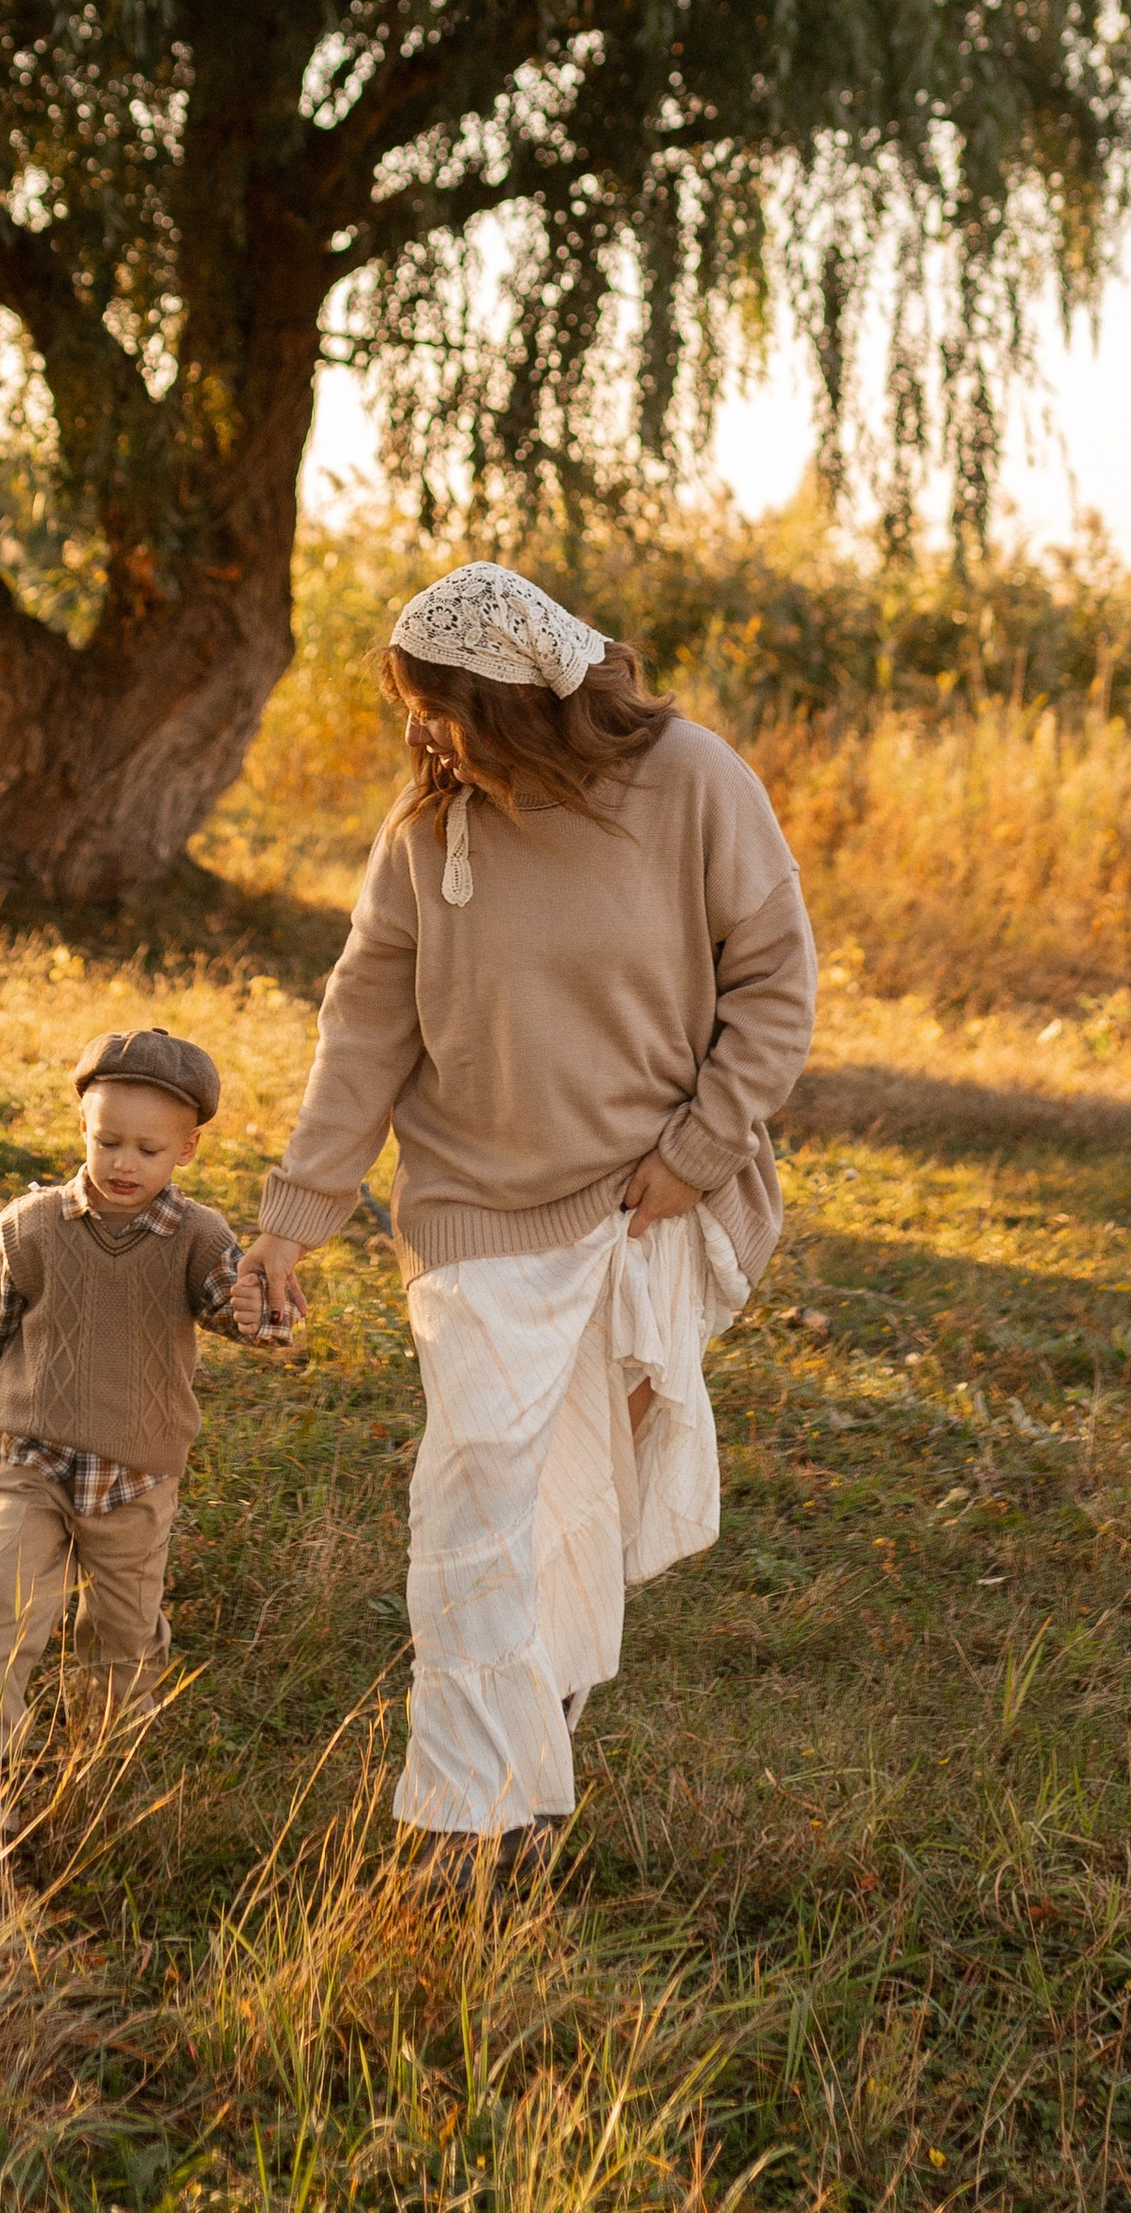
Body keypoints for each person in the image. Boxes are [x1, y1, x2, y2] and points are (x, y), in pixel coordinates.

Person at [234, 562, 815, 1857]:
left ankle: (526, 1772)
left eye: (442, 707)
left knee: (568, 1511)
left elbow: (776, 982)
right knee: (474, 1495)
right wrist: (292, 1220)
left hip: (643, 1206)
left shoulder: (693, 783)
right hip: (476, 1216)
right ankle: (463, 1822)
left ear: (524, 700)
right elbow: (362, 1036)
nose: (421, 734)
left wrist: (701, 1151)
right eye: (409, 706)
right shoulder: (426, 833)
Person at [0, 1022, 294, 1818]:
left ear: (187, 1151)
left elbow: (243, 1318)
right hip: (36, 1462)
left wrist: (259, 1311)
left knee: (122, 1634)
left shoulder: (199, 1238)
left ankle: (101, 1762)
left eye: (149, 1150)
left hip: (137, 1476)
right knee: (4, 1606)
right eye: (109, 1142)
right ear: (84, 1131)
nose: (125, 1164)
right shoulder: (29, 1225)